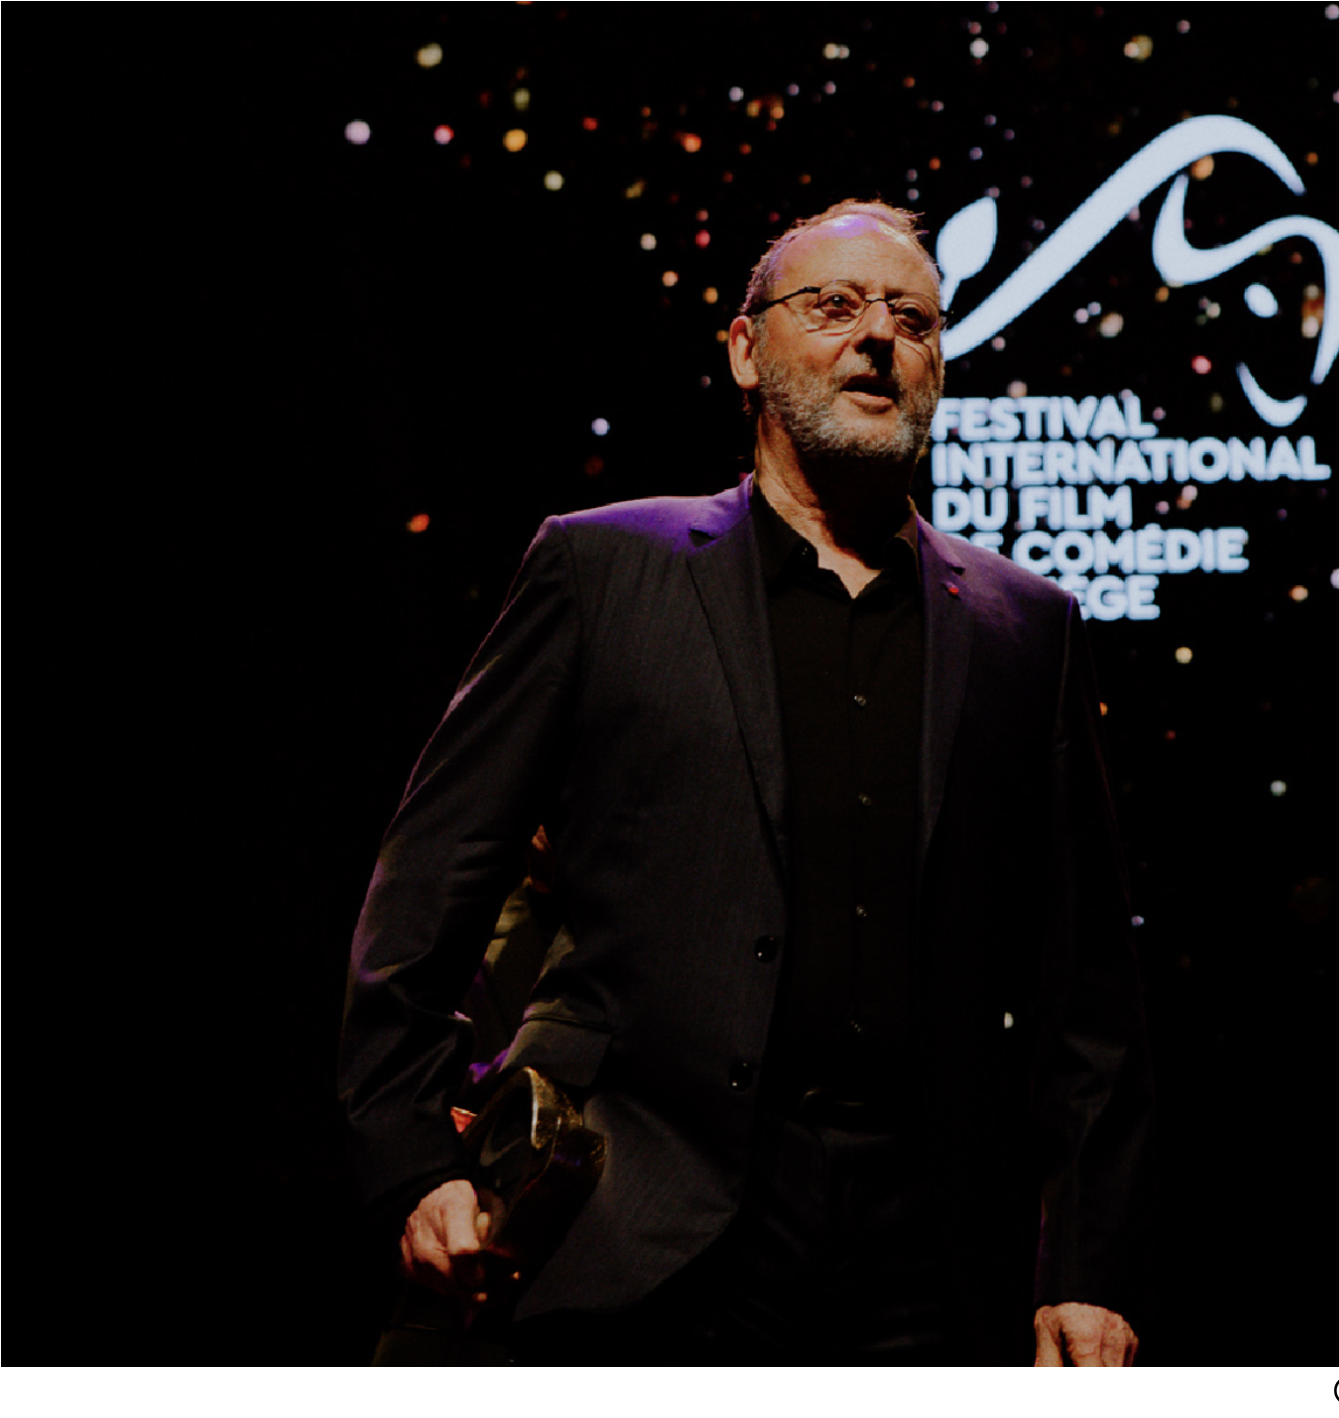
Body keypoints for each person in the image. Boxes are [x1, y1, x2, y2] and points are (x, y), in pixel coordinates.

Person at [339, 199, 1153, 1366]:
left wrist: (1083, 1265)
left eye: (912, 319)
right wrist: (415, 1157)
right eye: (834, 305)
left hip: (929, 1255)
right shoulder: (602, 568)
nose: (877, 337)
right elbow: (428, 886)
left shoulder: (1028, 627)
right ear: (743, 349)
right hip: (640, 1224)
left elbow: (1088, 994)